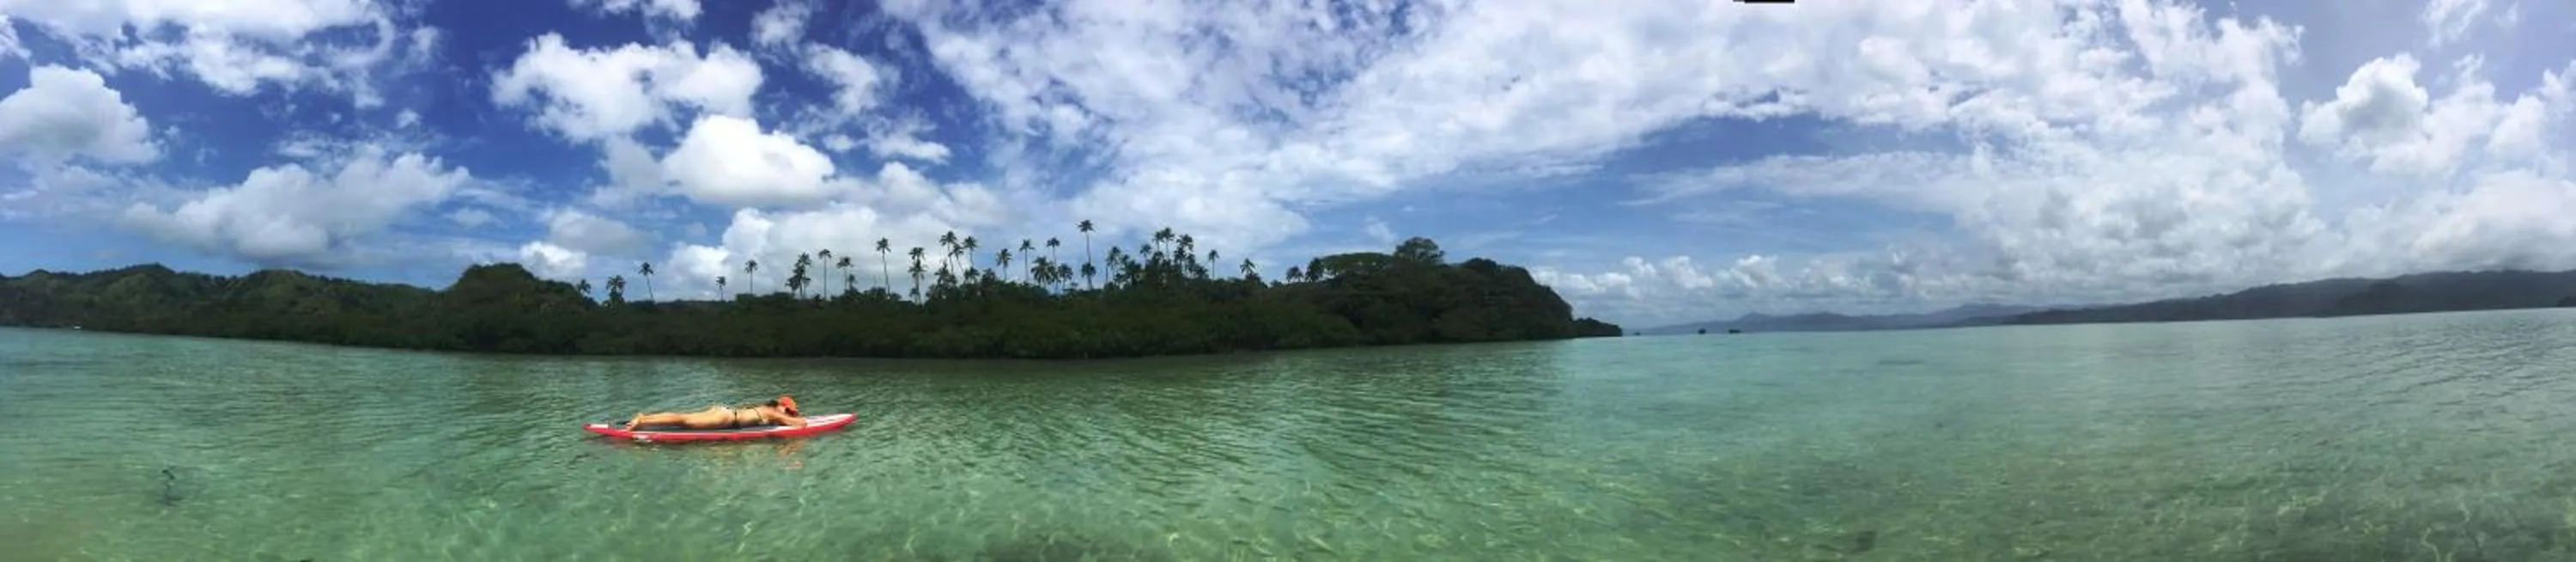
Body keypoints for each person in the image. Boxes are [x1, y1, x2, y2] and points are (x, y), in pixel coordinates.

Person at [623, 395, 806, 431]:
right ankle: (642, 421)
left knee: (683, 418)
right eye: (788, 410)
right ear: (780, 406)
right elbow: (802, 424)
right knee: (683, 421)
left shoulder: (765, 410)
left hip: (724, 412)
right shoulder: (773, 412)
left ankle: (644, 418)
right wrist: (793, 420)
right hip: (725, 418)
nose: (789, 414)